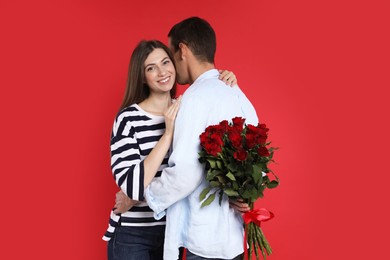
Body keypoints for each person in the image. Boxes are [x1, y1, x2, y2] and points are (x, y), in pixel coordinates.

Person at [102, 39, 238, 260]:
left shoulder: (187, 107)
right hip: (133, 234)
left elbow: (195, 170)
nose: (161, 72)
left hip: (173, 233)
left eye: (165, 62)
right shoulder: (128, 119)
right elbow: (131, 186)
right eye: (151, 68)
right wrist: (167, 135)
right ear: (142, 77)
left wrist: (226, 79)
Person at [138, 17, 258, 259]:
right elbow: (257, 160)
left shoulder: (192, 100)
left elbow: (186, 172)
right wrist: (247, 194)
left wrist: (146, 195)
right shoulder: (237, 93)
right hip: (234, 239)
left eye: (170, 56)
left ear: (182, 50)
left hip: (203, 242)